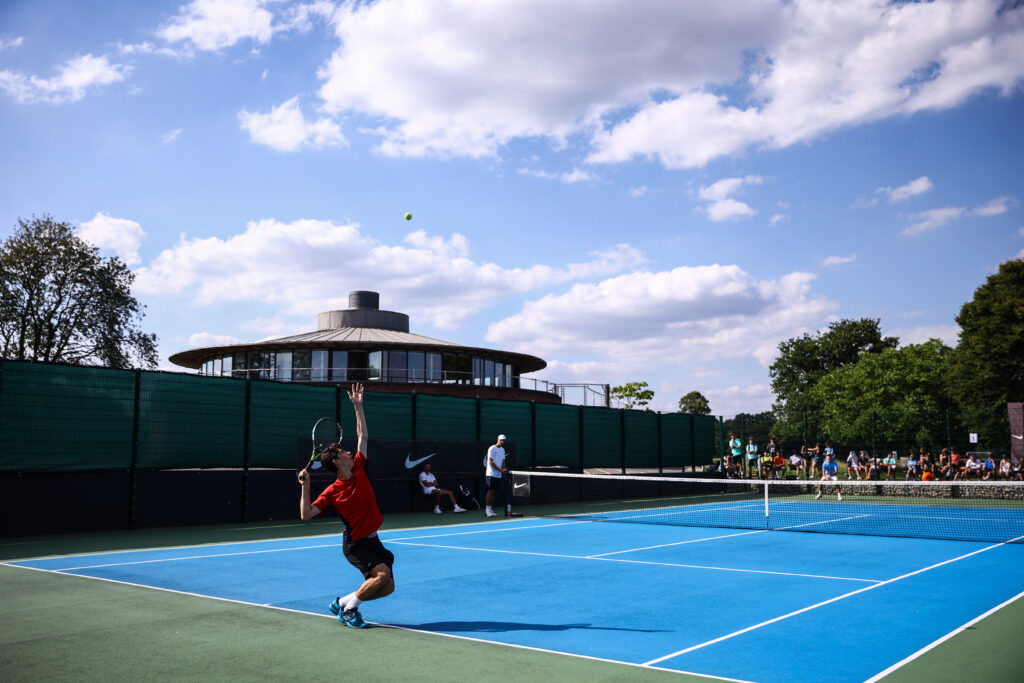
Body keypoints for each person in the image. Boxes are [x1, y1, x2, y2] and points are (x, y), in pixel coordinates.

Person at [298, 383, 393, 630]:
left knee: (387, 587)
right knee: (381, 576)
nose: (350, 452)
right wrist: (305, 486)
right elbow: (306, 514)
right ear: (338, 461)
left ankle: (342, 601)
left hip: (373, 539)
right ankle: (350, 610)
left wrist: (358, 407)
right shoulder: (332, 491)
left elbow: (363, 436)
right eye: (344, 452)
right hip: (355, 543)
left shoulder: (359, 467)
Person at [484, 434, 507, 517]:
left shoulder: (503, 450)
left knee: (493, 492)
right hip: (491, 474)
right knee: (490, 491)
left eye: (503, 440)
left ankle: (490, 509)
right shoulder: (492, 448)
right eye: (501, 440)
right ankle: (487, 510)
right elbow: (490, 462)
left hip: (498, 475)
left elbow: (503, 461)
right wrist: (500, 470)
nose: (502, 441)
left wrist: (504, 468)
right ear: (498, 439)